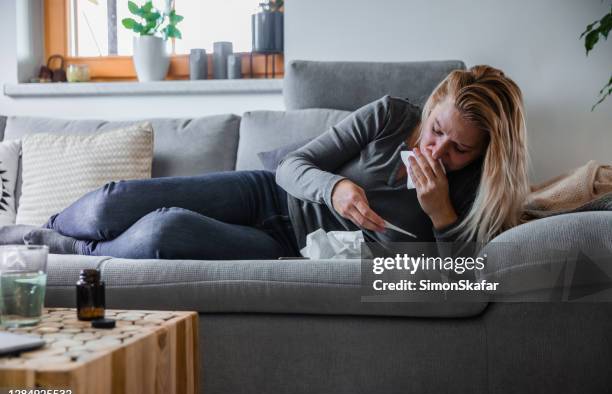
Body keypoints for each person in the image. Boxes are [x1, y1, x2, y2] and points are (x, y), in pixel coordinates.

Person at [13, 65, 528, 259]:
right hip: (267, 192)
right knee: (113, 201)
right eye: (438, 131)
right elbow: (294, 165)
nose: (438, 151)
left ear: (485, 152)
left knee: (162, 234)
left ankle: (68, 247)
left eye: (460, 148)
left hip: (288, 248)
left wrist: (438, 211)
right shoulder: (393, 115)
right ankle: (42, 234)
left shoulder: (471, 193)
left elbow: (455, 276)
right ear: (434, 103)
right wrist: (335, 190)